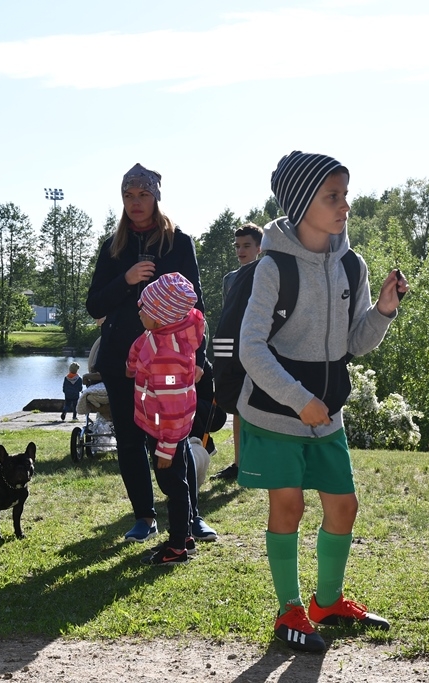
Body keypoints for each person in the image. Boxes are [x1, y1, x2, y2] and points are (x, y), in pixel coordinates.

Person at [238, 152, 405, 652]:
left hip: (326, 414)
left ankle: (326, 602)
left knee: (344, 507)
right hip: (273, 412)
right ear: (301, 202)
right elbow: (250, 347)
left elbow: (354, 343)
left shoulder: (354, 266)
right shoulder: (272, 267)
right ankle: (288, 612)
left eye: (345, 195)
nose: (345, 206)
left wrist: (383, 311)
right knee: (288, 507)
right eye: (333, 196)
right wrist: (298, 399)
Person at [86, 163, 217, 544]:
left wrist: (199, 360)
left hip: (171, 361)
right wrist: (125, 281)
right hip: (122, 361)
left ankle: (190, 517)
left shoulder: (179, 243)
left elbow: (198, 307)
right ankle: (144, 516)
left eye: (142, 195)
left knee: (175, 437)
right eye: (128, 196)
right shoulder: (112, 249)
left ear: (156, 196)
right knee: (129, 440)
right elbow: (94, 305)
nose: (135, 203)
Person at [126, 272, 204, 564]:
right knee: (176, 482)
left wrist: (166, 448)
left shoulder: (168, 355)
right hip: (162, 427)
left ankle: (177, 547)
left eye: (144, 308)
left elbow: (174, 406)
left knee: (173, 486)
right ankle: (184, 536)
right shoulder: (160, 334)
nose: (139, 310)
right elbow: (141, 344)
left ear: (160, 317)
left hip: (166, 431)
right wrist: (132, 364)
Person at [212, 222, 263, 481]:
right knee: (236, 406)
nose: (241, 251)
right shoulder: (229, 279)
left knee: (256, 407)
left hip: (257, 348)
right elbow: (227, 317)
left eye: (246, 246)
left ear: (259, 248)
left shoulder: (265, 274)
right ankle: (238, 463)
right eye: (237, 246)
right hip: (231, 351)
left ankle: (258, 463)